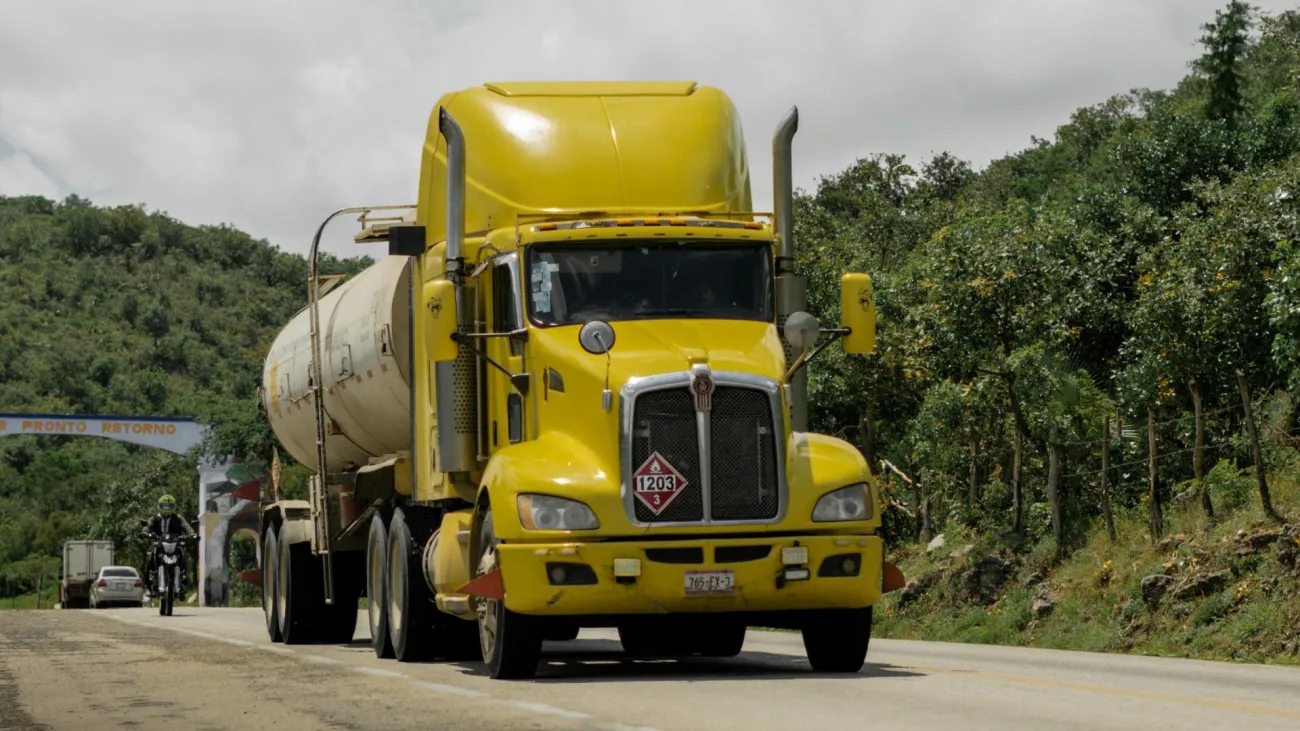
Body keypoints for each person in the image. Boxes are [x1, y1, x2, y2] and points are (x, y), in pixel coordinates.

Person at [142, 494, 197, 594]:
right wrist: (145, 532)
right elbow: (148, 525)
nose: (166, 508)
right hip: (159, 544)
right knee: (151, 557)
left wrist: (192, 534)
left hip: (175, 544)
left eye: (169, 506)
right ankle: (148, 584)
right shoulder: (155, 518)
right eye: (164, 506)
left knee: (182, 555)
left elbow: (187, 526)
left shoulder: (178, 518)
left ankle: (184, 580)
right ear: (160, 506)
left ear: (173, 506)